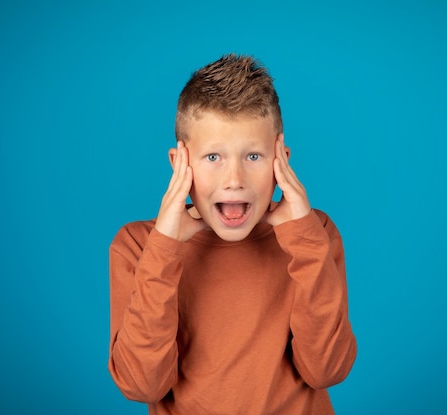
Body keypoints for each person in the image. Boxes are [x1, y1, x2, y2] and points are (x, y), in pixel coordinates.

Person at [108, 54, 357, 414]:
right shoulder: (137, 246)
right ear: (180, 163)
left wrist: (304, 240)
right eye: (213, 157)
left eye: (253, 156)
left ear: (281, 161)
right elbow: (141, 384)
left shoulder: (312, 234)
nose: (235, 179)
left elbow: (327, 370)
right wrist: (164, 250)